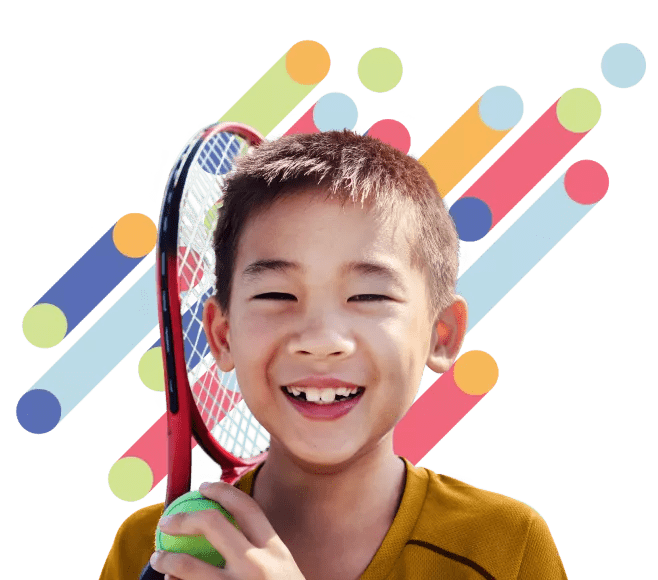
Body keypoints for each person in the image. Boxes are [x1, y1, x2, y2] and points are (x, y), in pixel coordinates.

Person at [99, 130, 568, 579]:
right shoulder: (151, 547)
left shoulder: (506, 546)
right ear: (223, 336)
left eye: (368, 297)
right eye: (277, 295)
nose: (321, 338)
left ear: (440, 335)